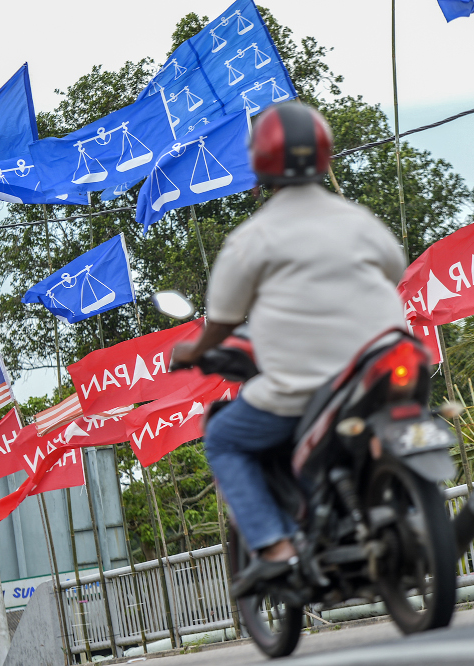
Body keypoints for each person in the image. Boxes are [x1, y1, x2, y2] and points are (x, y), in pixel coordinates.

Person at [171, 102, 408, 596]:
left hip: (305, 388)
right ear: (324, 151)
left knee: (224, 437)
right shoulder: (357, 219)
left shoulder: (253, 237)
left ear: (259, 162)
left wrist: (194, 350)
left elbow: (223, 320)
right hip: (386, 369)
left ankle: (276, 549)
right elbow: (395, 270)